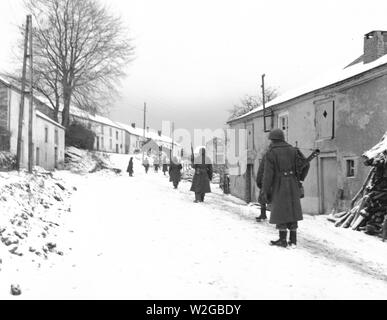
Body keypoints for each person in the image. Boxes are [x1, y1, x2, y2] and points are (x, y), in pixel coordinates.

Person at [261, 129, 307, 248]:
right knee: (292, 210)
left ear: (272, 139)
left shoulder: (271, 153)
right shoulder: (293, 150)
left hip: (279, 184)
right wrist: (300, 180)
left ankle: (282, 240)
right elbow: (306, 164)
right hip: (293, 183)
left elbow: (267, 175)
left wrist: (264, 191)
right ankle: (293, 241)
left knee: (280, 210)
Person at [255, 153, 267, 222]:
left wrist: (259, 182)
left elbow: (261, 171)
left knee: (263, 199)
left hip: (265, 182)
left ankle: (263, 214)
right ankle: (263, 214)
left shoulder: (266, 158)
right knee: (262, 199)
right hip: (265, 182)